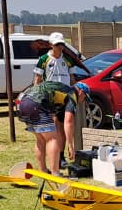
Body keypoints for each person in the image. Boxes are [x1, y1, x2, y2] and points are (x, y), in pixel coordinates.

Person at [32, 32, 85, 162]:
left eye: (61, 44)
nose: (60, 47)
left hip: (65, 95)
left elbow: (72, 78)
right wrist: (36, 96)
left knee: (64, 126)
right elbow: (37, 79)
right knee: (56, 127)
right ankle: (56, 156)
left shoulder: (67, 59)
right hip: (51, 96)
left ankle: (62, 155)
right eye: (57, 45)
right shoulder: (44, 59)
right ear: (51, 45)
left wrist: (76, 90)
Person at [17, 80, 81, 176]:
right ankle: (55, 172)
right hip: (36, 104)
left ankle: (43, 170)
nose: (82, 101)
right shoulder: (72, 94)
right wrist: (71, 146)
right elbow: (69, 121)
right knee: (53, 139)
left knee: (40, 139)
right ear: (81, 92)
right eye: (84, 98)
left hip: (21, 103)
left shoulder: (61, 88)